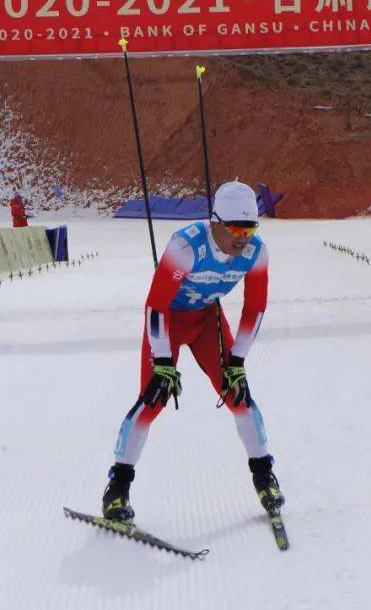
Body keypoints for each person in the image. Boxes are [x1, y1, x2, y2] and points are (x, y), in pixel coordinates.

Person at [101, 181, 281, 522]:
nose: (243, 237)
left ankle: (264, 478)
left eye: (250, 227)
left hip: (207, 321)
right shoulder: (186, 246)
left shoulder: (256, 252)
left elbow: (255, 308)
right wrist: (164, 361)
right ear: (215, 222)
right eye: (235, 228)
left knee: (238, 395)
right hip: (169, 321)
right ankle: (117, 489)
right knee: (153, 399)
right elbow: (156, 306)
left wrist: (238, 360)